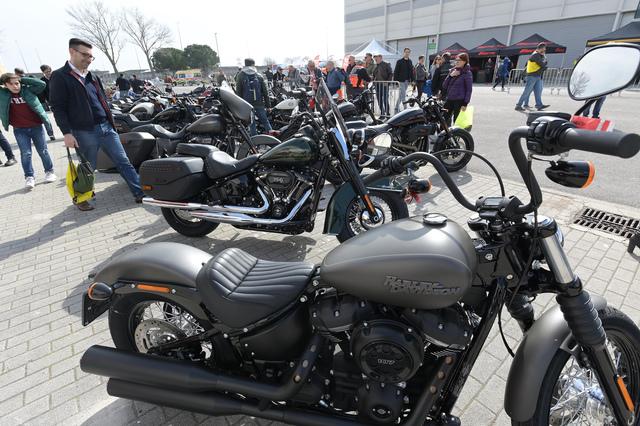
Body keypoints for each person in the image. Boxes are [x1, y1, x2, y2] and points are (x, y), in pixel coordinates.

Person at [49, 38, 144, 211]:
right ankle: (81, 198)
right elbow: (58, 107)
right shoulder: (60, 76)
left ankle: (140, 193)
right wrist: (67, 133)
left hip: (106, 127)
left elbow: (102, 100)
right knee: (88, 167)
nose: (89, 59)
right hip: (84, 131)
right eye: (85, 55)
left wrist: (111, 121)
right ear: (72, 52)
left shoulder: (92, 76)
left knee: (123, 161)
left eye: (91, 56)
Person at [0, 73, 56, 189]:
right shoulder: (3, 94)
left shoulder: (28, 90)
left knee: (43, 151)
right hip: (19, 129)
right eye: (11, 84)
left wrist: (21, 79)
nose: (15, 86)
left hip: (36, 127)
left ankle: (49, 172)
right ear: (5, 85)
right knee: (26, 153)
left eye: (17, 83)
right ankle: (29, 177)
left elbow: (42, 84)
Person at [235, 58, 272, 136]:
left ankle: (254, 141)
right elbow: (265, 92)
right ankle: (273, 138)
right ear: (253, 64)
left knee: (252, 124)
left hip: (247, 104)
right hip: (259, 103)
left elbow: (238, 92)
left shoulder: (240, 75)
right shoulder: (258, 75)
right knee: (265, 121)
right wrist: (268, 106)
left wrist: (240, 106)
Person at [515, 43, 550, 111]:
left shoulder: (539, 55)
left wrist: (544, 59)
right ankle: (518, 105)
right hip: (532, 76)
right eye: (544, 49)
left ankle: (539, 105)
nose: (544, 51)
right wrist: (544, 61)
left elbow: (544, 64)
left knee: (538, 91)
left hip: (537, 76)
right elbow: (543, 65)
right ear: (540, 49)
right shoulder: (535, 55)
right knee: (527, 91)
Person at [442, 53, 473, 125]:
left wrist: (465, 103)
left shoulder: (467, 73)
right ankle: (444, 132)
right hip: (449, 99)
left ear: (465, 61)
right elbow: (444, 85)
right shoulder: (452, 70)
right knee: (444, 119)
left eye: (459, 60)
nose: (457, 62)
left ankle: (456, 132)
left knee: (457, 122)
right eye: (456, 60)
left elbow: (469, 90)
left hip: (459, 101)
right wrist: (450, 76)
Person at [393, 48, 415, 113]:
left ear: (409, 53)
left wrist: (412, 80)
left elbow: (411, 72)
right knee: (403, 95)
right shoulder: (399, 61)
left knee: (401, 95)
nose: (407, 53)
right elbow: (396, 72)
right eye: (406, 52)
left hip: (407, 81)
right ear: (404, 53)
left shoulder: (410, 61)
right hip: (400, 81)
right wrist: (395, 82)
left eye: (408, 52)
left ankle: (396, 108)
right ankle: (406, 109)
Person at [372, 54, 393, 118]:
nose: (376, 59)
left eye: (377, 58)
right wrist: (373, 82)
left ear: (381, 58)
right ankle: (382, 113)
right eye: (375, 58)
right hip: (377, 85)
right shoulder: (375, 66)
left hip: (384, 85)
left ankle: (387, 113)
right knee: (379, 100)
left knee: (385, 99)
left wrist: (387, 82)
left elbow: (390, 74)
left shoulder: (386, 64)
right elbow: (374, 75)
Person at [39, 65, 56, 141]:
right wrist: (45, 103)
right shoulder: (42, 81)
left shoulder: (56, 77)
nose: (49, 73)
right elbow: (42, 94)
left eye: (50, 71)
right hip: (52, 103)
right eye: (46, 72)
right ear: (43, 72)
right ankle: (51, 134)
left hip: (63, 100)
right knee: (59, 118)